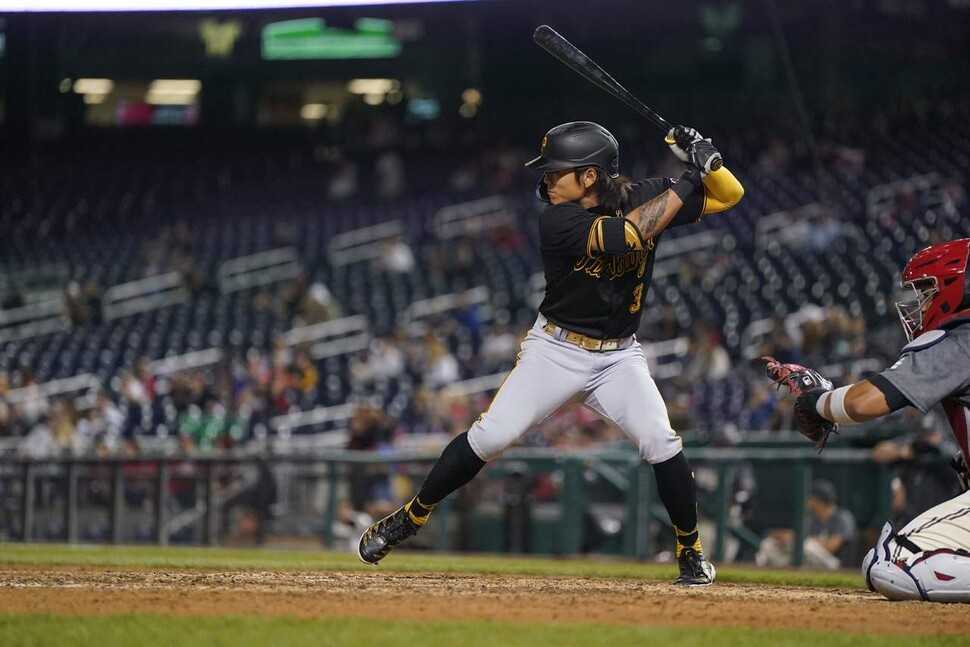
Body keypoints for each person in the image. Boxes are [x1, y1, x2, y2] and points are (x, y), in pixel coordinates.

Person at [356, 121, 744, 586]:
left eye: (556, 171)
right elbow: (628, 237)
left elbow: (730, 195)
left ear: (590, 176)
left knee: (662, 442)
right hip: (555, 349)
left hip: (619, 356)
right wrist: (688, 176)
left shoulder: (648, 193)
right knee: (491, 438)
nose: (545, 180)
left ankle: (690, 551)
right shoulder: (557, 219)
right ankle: (412, 517)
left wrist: (708, 158)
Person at [766, 238, 970, 601]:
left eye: (926, 291)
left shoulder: (960, 336)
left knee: (893, 563)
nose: (918, 305)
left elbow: (865, 403)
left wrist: (817, 402)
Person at [756, 479, 856, 569]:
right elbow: (799, 537)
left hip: (835, 564)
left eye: (810, 498)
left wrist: (807, 541)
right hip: (811, 557)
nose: (807, 502)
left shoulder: (843, 517)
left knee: (807, 546)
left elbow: (832, 547)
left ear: (818, 501)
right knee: (769, 544)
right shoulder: (813, 519)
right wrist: (784, 537)